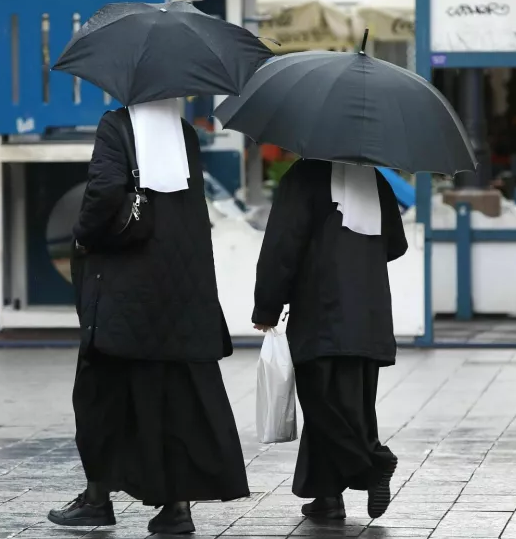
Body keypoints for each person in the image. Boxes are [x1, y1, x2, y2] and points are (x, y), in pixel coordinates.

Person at [49, 98, 250, 535]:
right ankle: (177, 508)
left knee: (101, 393)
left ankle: (97, 500)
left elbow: (104, 192)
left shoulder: (116, 125)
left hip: (127, 291)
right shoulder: (185, 134)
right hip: (183, 290)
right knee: (174, 398)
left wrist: (82, 234)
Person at [252, 159, 407, 520]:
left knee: (322, 405)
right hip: (369, 315)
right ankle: (326, 496)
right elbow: (396, 245)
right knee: (354, 404)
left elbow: (281, 248)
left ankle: (373, 462)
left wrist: (267, 308)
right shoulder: (375, 181)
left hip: (321, 312)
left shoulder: (304, 177)